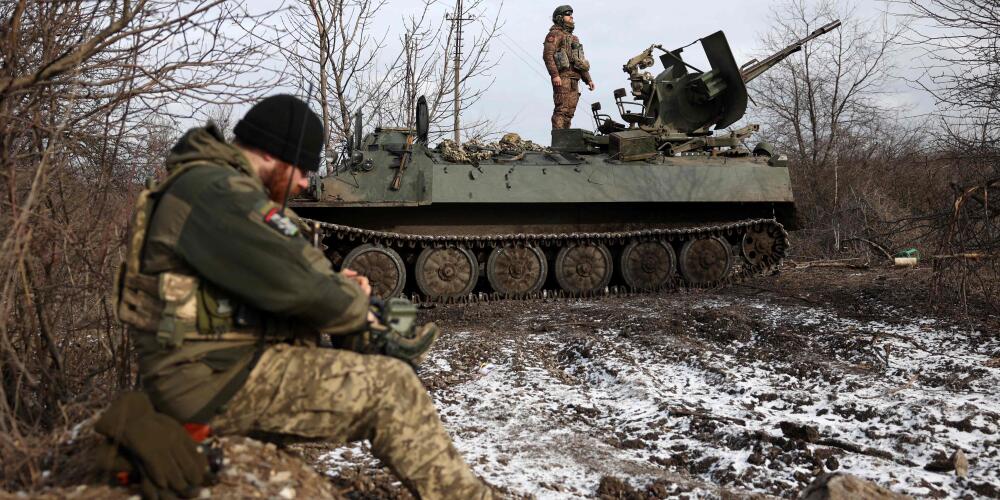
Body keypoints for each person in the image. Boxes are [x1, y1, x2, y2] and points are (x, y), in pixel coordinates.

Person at [109, 94, 494, 499]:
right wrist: (354, 306)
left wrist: (332, 284)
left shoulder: (208, 186)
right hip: (209, 379)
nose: (306, 183)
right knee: (392, 387)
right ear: (274, 155)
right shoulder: (217, 192)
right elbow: (302, 287)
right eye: (304, 169)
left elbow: (279, 270)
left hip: (211, 366)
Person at [542, 4, 596, 129]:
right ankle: (558, 142)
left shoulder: (574, 38)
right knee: (561, 109)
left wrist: (588, 79)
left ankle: (566, 142)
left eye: (571, 14)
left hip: (574, 79)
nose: (571, 17)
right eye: (568, 14)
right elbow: (548, 55)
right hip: (563, 78)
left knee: (570, 112)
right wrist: (555, 75)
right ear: (560, 17)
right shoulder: (554, 34)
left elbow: (579, 61)